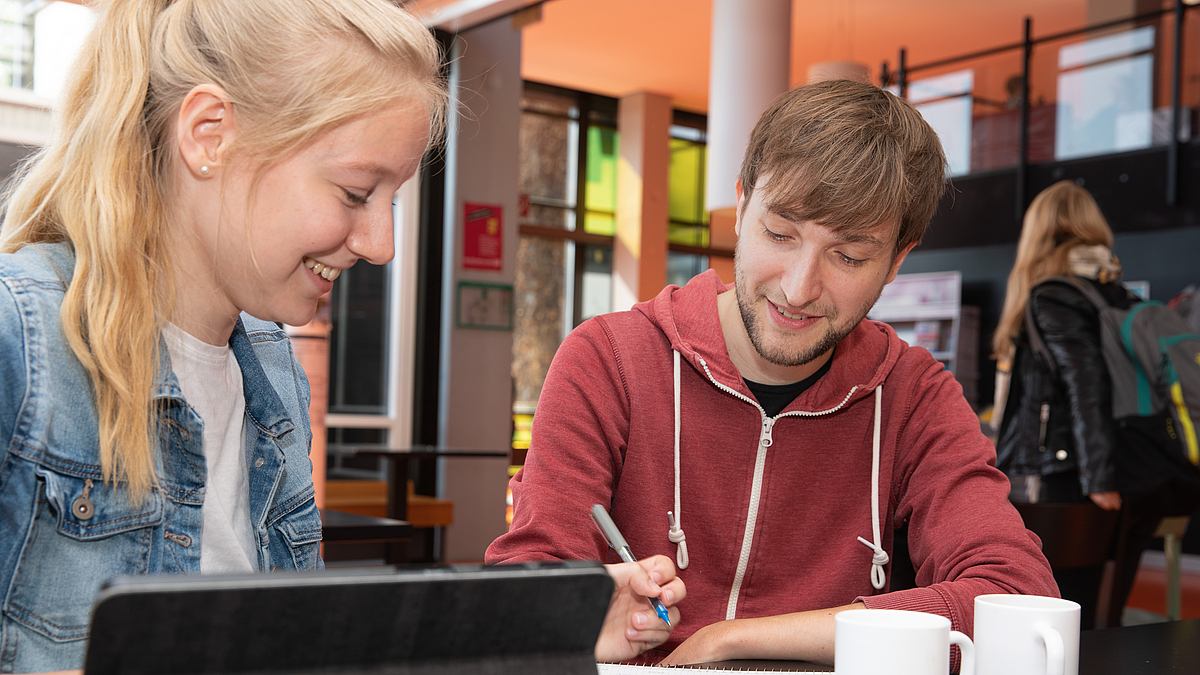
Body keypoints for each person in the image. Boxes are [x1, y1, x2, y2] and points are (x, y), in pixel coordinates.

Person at [0, 1, 680, 672]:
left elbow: (297, 643)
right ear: (210, 135)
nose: (381, 244)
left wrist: (555, 624)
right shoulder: (17, 339)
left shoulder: (271, 365)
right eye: (356, 193)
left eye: (392, 201)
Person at [486, 79, 1057, 666]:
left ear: (897, 261)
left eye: (849, 256)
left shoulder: (913, 394)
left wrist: (729, 638)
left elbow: (1017, 596)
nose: (798, 287)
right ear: (741, 206)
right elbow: (524, 592)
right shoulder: (609, 359)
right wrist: (579, 616)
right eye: (779, 234)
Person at [992, 180, 1167, 628]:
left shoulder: (1052, 295)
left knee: (1044, 620)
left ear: (1037, 234)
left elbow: (1084, 384)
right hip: (1126, 474)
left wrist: (1096, 477)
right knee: (1096, 619)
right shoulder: (1118, 295)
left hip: (1061, 482)